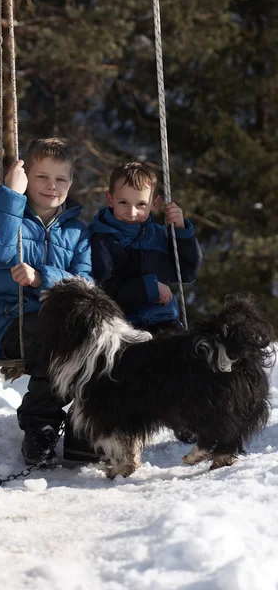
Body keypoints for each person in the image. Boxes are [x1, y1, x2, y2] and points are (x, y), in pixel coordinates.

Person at [0, 138, 93, 465]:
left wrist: (43, 277)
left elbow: (86, 283)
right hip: (16, 321)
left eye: (61, 179)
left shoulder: (78, 233)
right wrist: (10, 195)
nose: (51, 186)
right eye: (42, 177)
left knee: (95, 348)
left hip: (63, 324)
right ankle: (40, 425)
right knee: (57, 342)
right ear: (27, 179)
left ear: (71, 183)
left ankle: (85, 430)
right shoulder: (10, 217)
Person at [89, 162, 202, 443]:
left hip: (161, 319)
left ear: (155, 204)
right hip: (122, 323)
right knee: (127, 374)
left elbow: (186, 273)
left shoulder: (159, 236)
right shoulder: (102, 238)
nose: (131, 212)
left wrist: (181, 231)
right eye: (123, 203)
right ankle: (121, 428)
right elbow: (106, 289)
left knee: (182, 361)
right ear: (110, 199)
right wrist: (150, 287)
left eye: (141, 204)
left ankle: (185, 418)